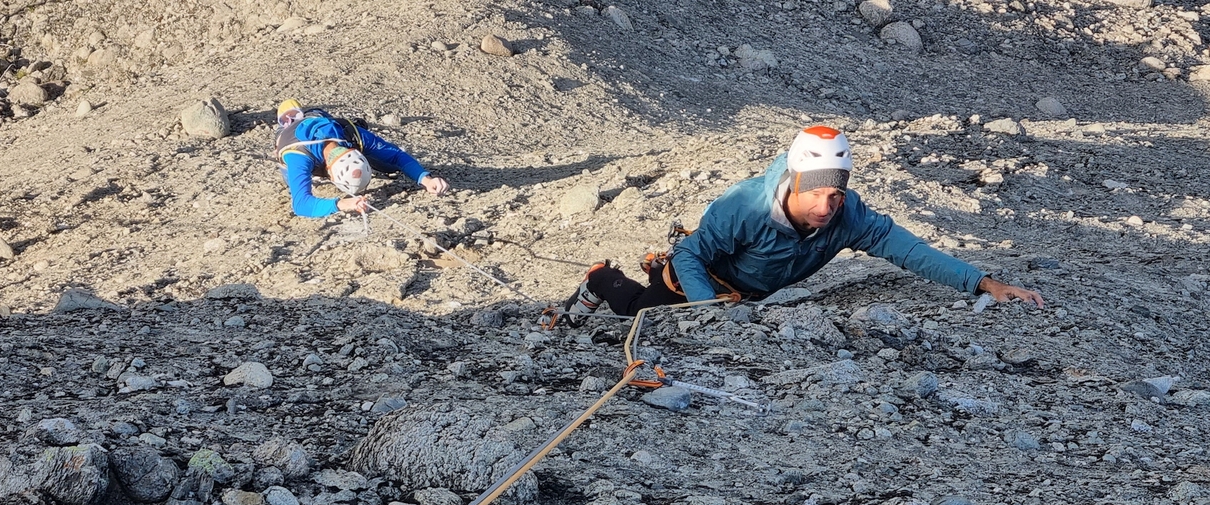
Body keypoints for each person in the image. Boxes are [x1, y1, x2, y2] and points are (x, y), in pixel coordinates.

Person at [559, 126, 1043, 324]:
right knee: (634, 310)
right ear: (792, 181)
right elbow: (692, 255)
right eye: (815, 192)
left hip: (745, 296)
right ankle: (602, 277)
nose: (826, 205)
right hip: (700, 284)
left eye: (835, 193)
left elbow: (910, 250)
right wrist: (707, 308)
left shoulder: (849, 215)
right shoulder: (745, 206)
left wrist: (982, 282)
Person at [273, 99, 450, 218]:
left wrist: (425, 179)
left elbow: (396, 155)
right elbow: (301, 204)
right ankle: (289, 118)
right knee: (291, 181)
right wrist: (342, 204)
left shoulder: (352, 134)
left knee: (388, 166)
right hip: (292, 139)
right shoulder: (297, 157)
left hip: (322, 122)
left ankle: (304, 112)